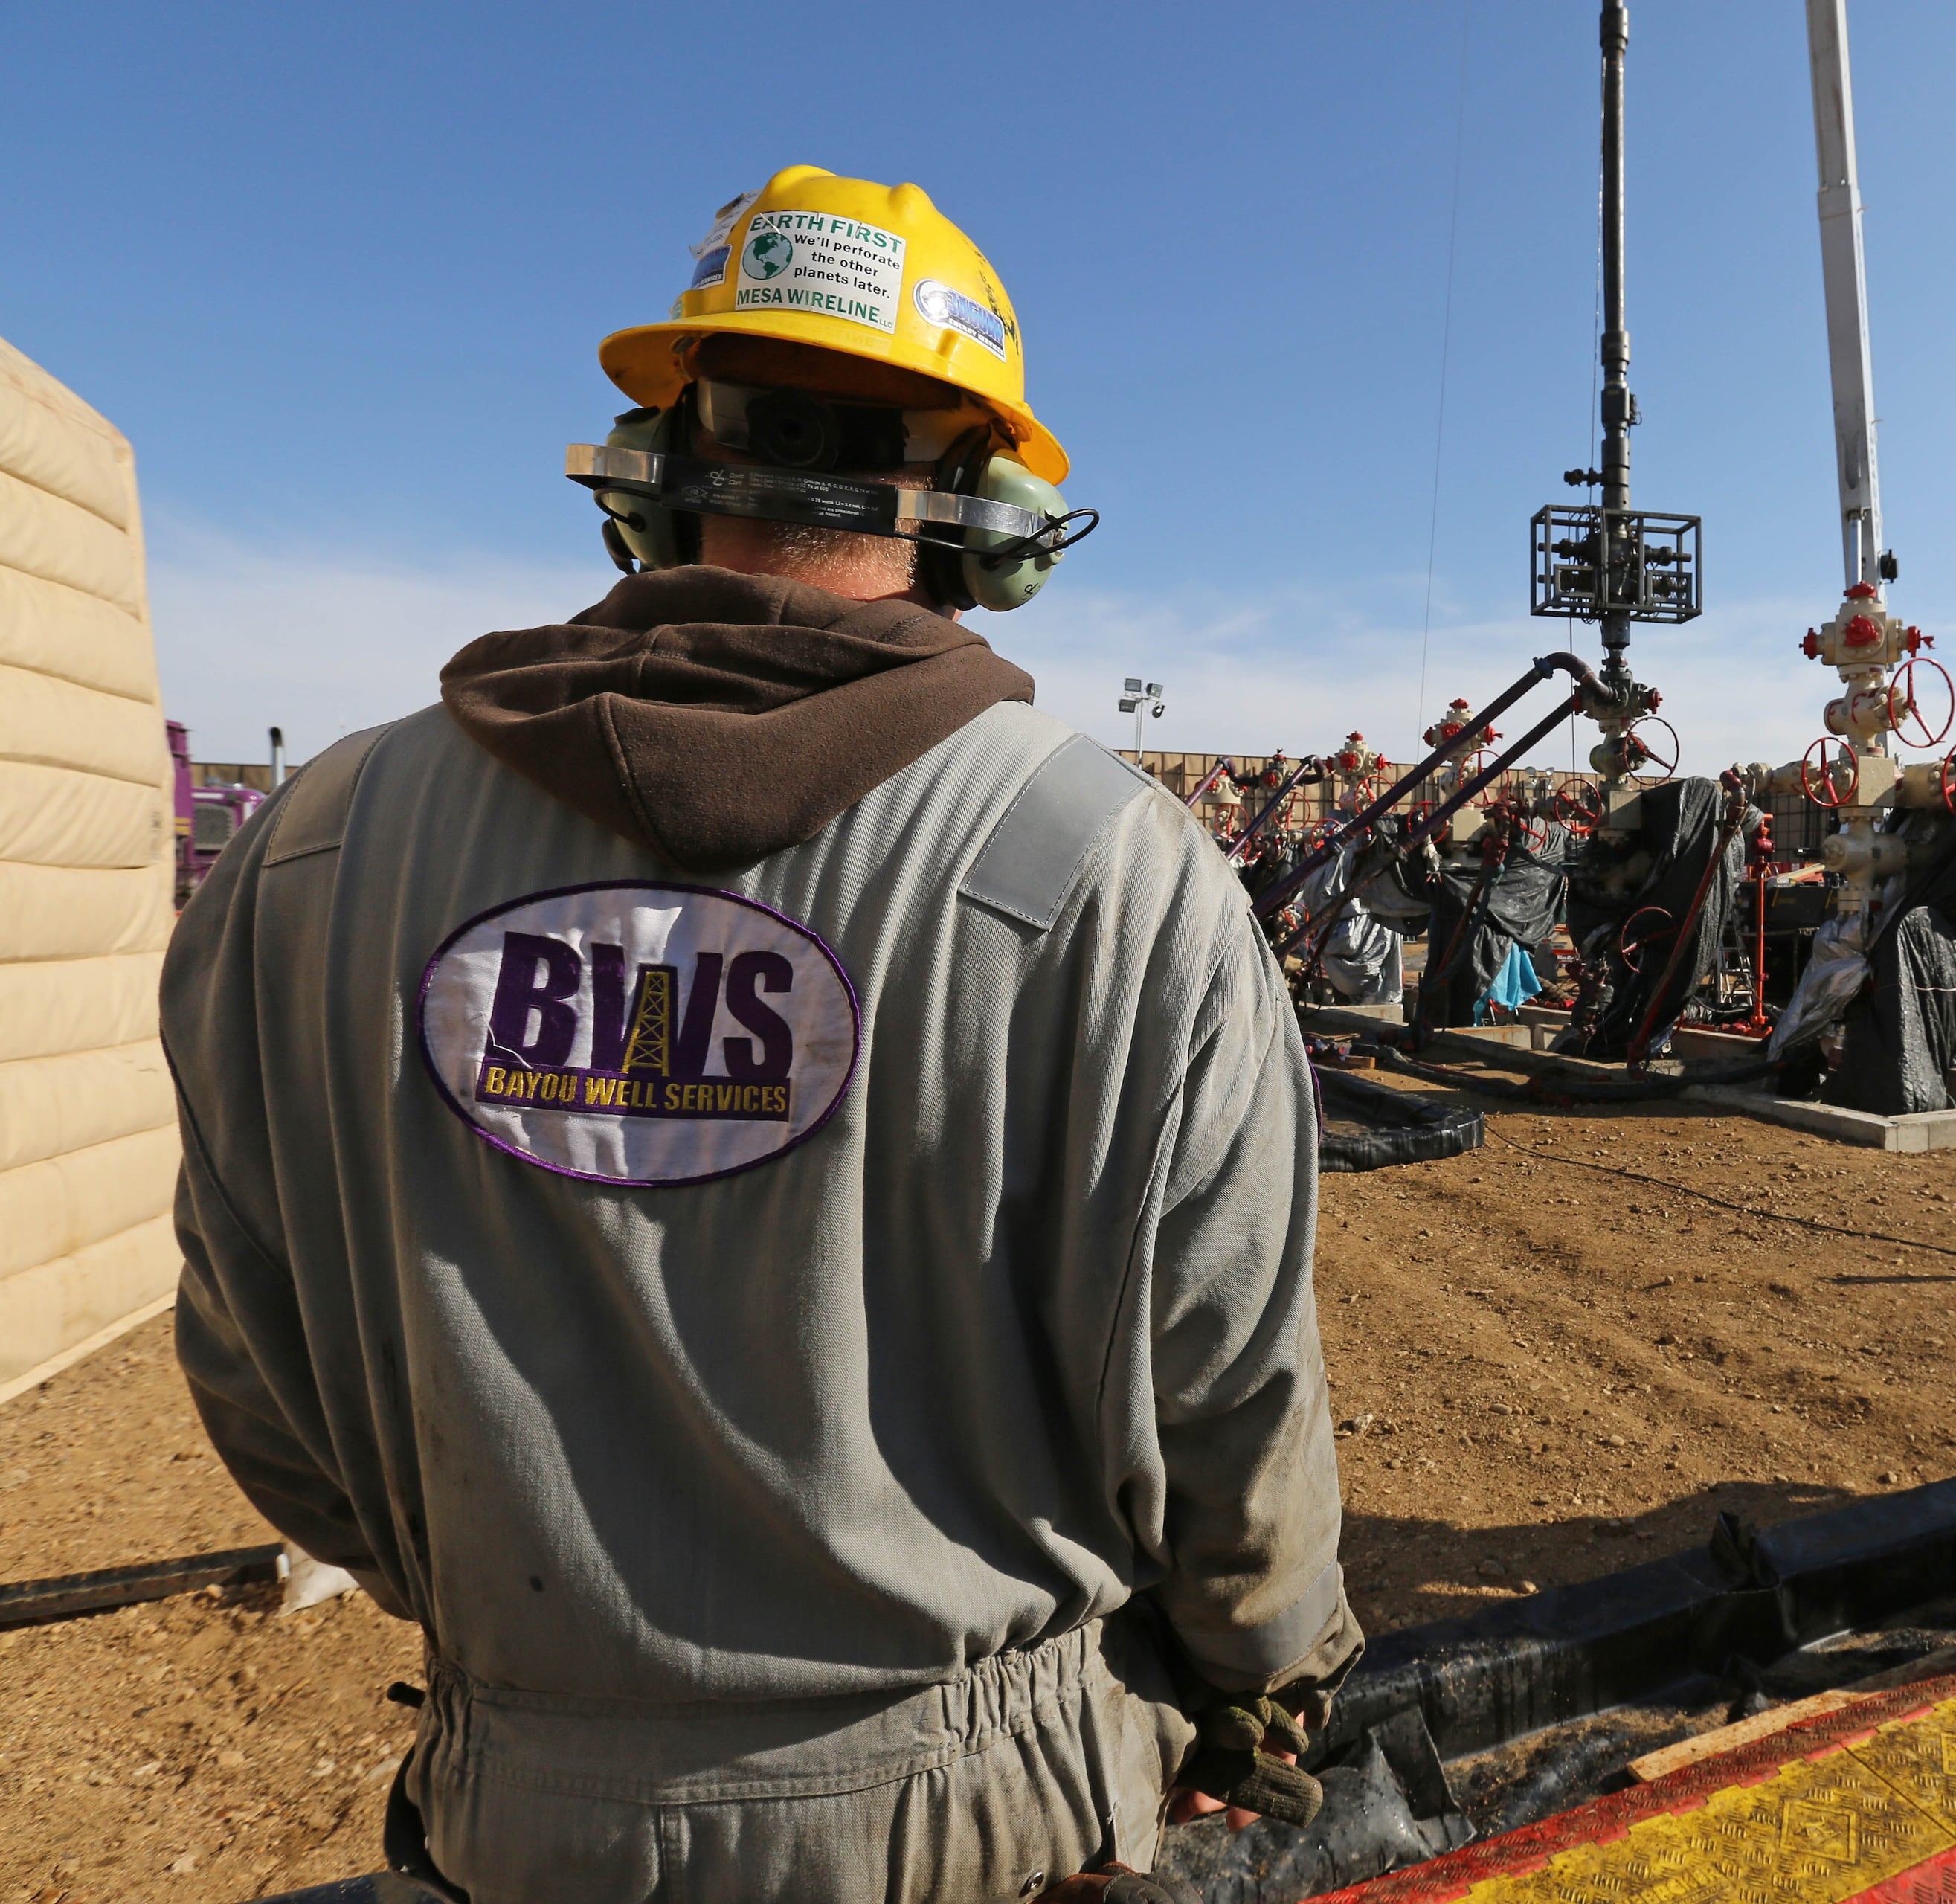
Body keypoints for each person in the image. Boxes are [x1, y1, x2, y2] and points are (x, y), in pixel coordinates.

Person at [164, 167, 1356, 1903]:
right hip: (984, 1820)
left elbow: (252, 1356)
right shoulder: (1112, 867)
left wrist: (550, 1658)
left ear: (647, 477)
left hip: (525, 1810)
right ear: (984, 509)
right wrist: (1263, 1684)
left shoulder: (320, 844)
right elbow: (1224, 1392)